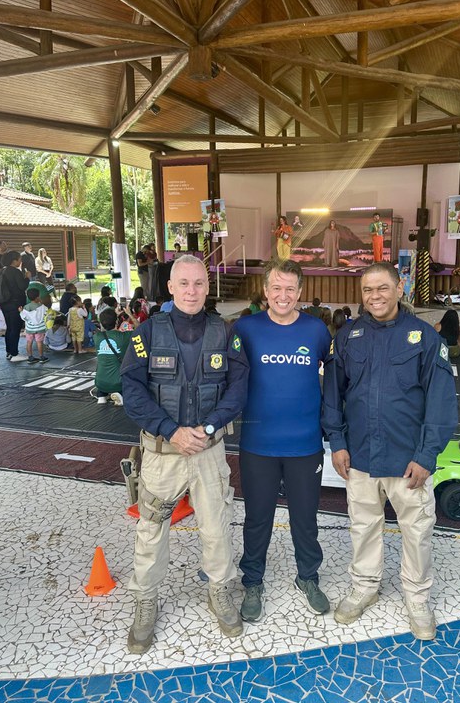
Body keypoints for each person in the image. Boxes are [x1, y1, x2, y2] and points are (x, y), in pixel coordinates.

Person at [322, 262, 457, 640]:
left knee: (416, 531)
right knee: (363, 526)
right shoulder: (347, 336)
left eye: (383, 288)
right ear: (361, 294)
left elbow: (441, 402)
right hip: (360, 458)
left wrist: (427, 455)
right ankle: (365, 586)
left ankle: (417, 599)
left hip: (407, 460)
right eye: (368, 290)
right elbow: (333, 395)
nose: (375, 296)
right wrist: (338, 442)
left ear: (400, 288)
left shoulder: (425, 339)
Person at [120, 255, 249, 653]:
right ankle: (145, 601)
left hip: (208, 453)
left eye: (199, 283)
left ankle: (220, 590)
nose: (192, 291)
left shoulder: (225, 332)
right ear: (171, 288)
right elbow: (132, 390)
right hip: (162, 454)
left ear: (207, 288)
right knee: (151, 529)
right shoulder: (146, 333)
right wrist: (171, 430)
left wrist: (207, 428)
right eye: (184, 284)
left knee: (216, 526)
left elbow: (238, 389)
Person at [232, 259, 331, 622]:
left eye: (290, 289)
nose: (283, 295)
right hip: (258, 444)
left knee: (305, 518)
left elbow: (332, 378)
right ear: (265, 291)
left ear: (300, 292)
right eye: (276, 288)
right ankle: (253, 581)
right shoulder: (246, 328)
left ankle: (308, 576)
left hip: (305, 444)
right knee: (257, 518)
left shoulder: (317, 330)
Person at [93, 308, 131, 405]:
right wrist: (129, 314)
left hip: (100, 382)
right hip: (118, 383)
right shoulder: (124, 337)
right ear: (117, 321)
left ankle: (101, 396)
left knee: (103, 383)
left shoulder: (97, 337)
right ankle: (120, 394)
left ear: (101, 323)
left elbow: (104, 330)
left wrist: (113, 318)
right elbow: (141, 328)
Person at [0, 250, 30, 362]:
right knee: (15, 328)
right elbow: (22, 286)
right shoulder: (15, 271)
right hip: (15, 304)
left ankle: (9, 352)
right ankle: (14, 354)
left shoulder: (3, 270)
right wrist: (27, 277)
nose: (20, 261)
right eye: (19, 259)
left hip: (4, 303)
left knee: (10, 328)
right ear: (14, 260)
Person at [20, 286, 49, 364]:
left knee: (29, 342)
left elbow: (24, 317)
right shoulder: (42, 307)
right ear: (38, 297)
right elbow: (47, 313)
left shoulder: (26, 307)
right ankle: (41, 357)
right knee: (39, 342)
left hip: (30, 329)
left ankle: (30, 357)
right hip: (39, 328)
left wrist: (20, 311)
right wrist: (41, 302)